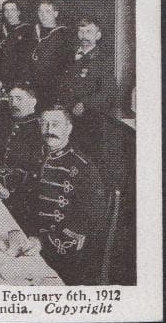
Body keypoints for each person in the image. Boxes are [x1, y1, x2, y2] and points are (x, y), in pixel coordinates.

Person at [20, 106, 106, 285]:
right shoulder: (40, 153)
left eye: (56, 124)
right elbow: (25, 184)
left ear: (69, 128)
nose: (49, 130)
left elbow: (87, 220)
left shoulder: (83, 168)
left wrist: (43, 243)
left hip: (61, 253)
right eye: (44, 124)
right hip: (30, 236)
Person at [58, 17, 114, 150]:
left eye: (89, 32)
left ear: (98, 35)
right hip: (64, 116)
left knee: (85, 154)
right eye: (81, 31)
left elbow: (108, 92)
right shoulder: (67, 56)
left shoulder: (103, 60)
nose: (84, 36)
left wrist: (85, 103)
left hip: (88, 119)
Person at [0, 84, 44, 198]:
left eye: (19, 99)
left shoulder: (40, 131)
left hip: (16, 196)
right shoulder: (10, 120)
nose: (13, 104)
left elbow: (34, 173)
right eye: (11, 99)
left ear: (33, 102)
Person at [28, 0, 71, 109]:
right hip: (32, 87)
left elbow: (65, 67)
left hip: (52, 89)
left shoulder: (63, 36)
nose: (43, 15)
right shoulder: (32, 33)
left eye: (47, 11)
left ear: (55, 14)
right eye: (40, 11)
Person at [0, 0, 33, 86]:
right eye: (6, 10)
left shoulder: (27, 30)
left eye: (12, 10)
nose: (9, 13)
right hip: (2, 75)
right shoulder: (2, 29)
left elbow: (25, 58)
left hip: (18, 77)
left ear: (18, 12)